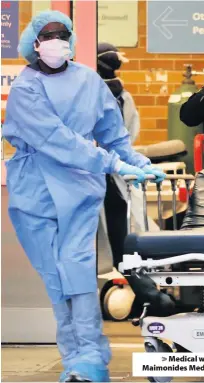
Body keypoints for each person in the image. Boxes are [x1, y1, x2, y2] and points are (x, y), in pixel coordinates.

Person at [2, 10, 165, 382]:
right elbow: (55, 139)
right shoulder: (26, 87)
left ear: (72, 39)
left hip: (78, 189)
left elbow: (113, 131)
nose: (56, 40)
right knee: (56, 279)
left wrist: (135, 160)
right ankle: (75, 355)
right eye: (48, 35)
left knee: (77, 272)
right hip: (35, 191)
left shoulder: (89, 80)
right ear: (34, 43)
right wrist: (112, 164)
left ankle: (89, 359)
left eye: (63, 33)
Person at [97, 42, 139, 271]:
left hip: (110, 175)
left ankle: (122, 281)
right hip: (109, 173)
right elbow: (131, 131)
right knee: (114, 233)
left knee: (114, 233)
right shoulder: (123, 96)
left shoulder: (122, 97)